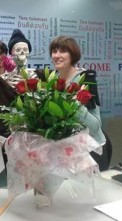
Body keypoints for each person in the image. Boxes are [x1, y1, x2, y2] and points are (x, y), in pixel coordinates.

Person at [49, 36, 107, 167]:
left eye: (63, 51)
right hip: (65, 153)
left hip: (91, 151)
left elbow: (95, 126)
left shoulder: (86, 80)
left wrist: (74, 105)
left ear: (72, 55)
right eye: (54, 51)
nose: (57, 55)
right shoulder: (52, 81)